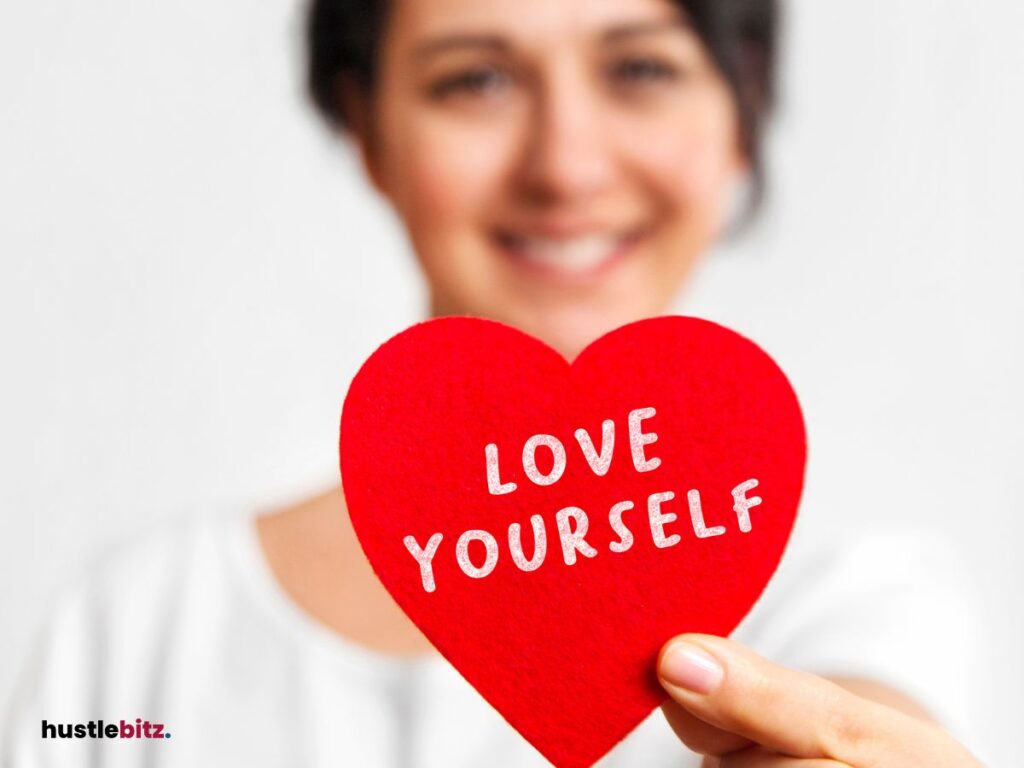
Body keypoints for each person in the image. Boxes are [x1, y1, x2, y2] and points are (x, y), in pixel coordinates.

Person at [3, 0, 985, 766]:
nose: (565, 166)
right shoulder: (137, 629)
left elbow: (865, 712)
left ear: (743, 108)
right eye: (473, 79)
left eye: (641, 68)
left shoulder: (851, 603)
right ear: (366, 128)